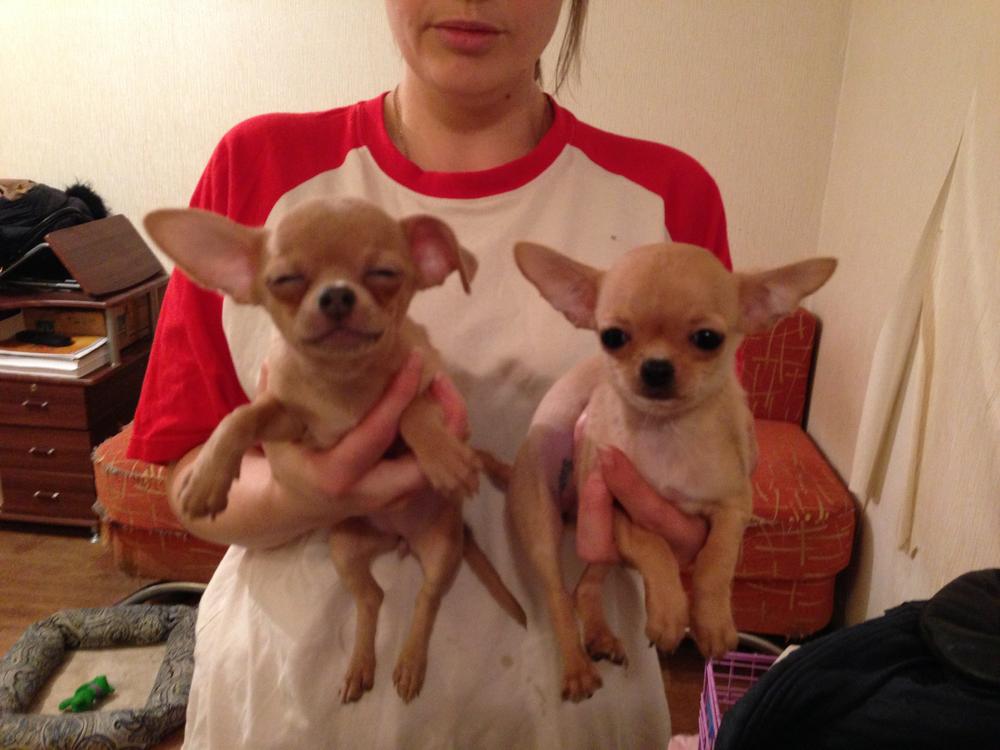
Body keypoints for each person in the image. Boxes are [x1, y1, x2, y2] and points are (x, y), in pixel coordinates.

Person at [128, 1, 730, 747]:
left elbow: (709, 477)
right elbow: (190, 479)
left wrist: (679, 530)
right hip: (297, 708)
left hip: (566, 714)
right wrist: (300, 494)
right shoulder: (260, 167)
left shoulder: (664, 199)